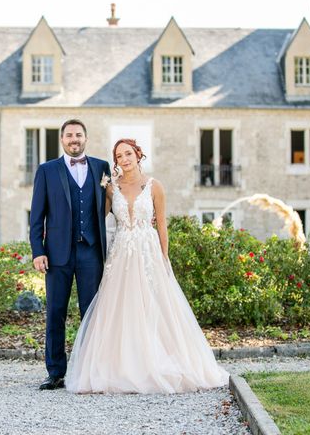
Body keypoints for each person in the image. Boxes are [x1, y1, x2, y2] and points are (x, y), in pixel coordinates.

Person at [65, 139, 229, 393]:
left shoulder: (155, 186)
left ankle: (160, 361)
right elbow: (96, 218)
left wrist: (165, 259)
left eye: (128, 153)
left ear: (138, 155)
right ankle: (121, 367)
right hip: (121, 253)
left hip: (148, 250)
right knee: (121, 307)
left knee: (155, 305)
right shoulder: (111, 188)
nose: (124, 159)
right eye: (119, 156)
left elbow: (162, 226)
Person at [29, 119, 111, 390]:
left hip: (91, 251)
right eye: (69, 135)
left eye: (78, 135)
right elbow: (36, 216)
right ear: (62, 139)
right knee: (55, 312)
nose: (74, 139)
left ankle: (90, 370)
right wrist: (38, 251)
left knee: (92, 313)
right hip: (57, 253)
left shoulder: (102, 167)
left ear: (85, 138)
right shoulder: (46, 170)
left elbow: (111, 204)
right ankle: (55, 372)